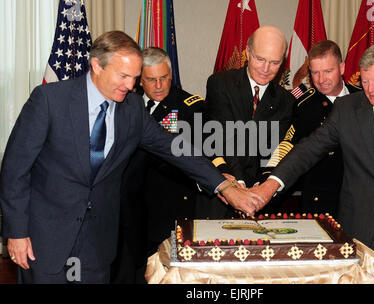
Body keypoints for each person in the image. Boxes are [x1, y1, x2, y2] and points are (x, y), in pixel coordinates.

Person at [0, 31, 263, 284]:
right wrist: (16, 232)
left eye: (135, 77)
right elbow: (15, 170)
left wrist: (225, 186)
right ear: (97, 65)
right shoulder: (49, 100)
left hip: (97, 243)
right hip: (45, 239)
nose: (131, 85)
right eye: (124, 76)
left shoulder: (132, 109)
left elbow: (174, 148)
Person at [250, 44, 374, 284]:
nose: (370, 90)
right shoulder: (347, 110)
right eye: (364, 82)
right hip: (360, 231)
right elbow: (308, 150)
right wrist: (270, 185)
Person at [111, 47, 205, 283]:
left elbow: (187, 157)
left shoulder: (190, 107)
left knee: (165, 273)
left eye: (164, 78)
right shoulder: (123, 103)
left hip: (169, 206)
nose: (160, 85)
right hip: (129, 206)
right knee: (129, 269)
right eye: (152, 79)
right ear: (139, 80)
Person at [195, 25, 295, 219]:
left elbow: (276, 150)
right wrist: (238, 186)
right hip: (222, 193)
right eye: (260, 59)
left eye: (274, 62)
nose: (266, 69)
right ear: (248, 52)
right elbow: (223, 136)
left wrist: (260, 188)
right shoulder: (220, 83)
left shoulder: (286, 100)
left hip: (261, 200)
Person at [260, 40, 361, 216]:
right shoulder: (303, 106)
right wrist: (267, 180)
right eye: (315, 73)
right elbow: (287, 146)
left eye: (328, 71)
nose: (321, 80)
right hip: (321, 201)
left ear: (342, 68)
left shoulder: (362, 99)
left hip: (360, 200)